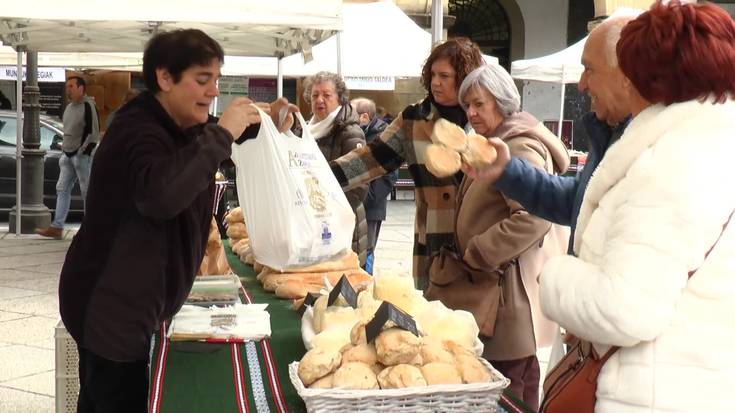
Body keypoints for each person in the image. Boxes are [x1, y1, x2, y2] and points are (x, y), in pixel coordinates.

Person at [57, 29, 295, 412]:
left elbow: (224, 130)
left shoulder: (180, 124)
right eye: (202, 80)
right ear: (164, 78)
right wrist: (223, 132)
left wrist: (269, 118)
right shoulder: (136, 129)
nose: (213, 91)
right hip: (110, 306)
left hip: (135, 303)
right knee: (116, 397)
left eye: (216, 80)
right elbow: (162, 194)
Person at [538, 2, 735, 412]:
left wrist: (556, 276)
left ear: (645, 75)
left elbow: (626, 309)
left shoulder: (675, 161)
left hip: (649, 396)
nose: (583, 84)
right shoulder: (711, 143)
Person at [426, 64, 569, 410]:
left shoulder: (519, 146)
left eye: (479, 104)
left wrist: (479, 252)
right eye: (468, 106)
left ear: (502, 102)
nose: (471, 113)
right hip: (494, 293)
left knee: (510, 391)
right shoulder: (495, 142)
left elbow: (533, 220)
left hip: (508, 297)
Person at [462, 10, 642, 254]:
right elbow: (579, 201)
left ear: (624, 74)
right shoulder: (614, 134)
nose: (581, 84)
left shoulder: (657, 150)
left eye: (589, 70)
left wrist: (478, 254)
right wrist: (507, 172)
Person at [330, 37, 484, 289]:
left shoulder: (485, 117)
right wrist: (322, 175)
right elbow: (371, 158)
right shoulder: (415, 119)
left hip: (479, 247)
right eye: (432, 74)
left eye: (445, 76)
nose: (435, 82)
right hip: (434, 246)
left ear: (466, 77)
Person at [302, 71, 369, 266]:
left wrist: (325, 213)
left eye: (326, 95)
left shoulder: (350, 132)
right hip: (311, 223)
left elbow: (359, 184)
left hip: (340, 226)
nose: (319, 100)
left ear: (339, 99)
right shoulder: (304, 129)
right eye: (315, 95)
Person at [35, 76, 100, 239]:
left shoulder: (88, 105)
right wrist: (65, 150)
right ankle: (57, 227)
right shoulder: (69, 107)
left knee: (87, 191)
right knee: (62, 189)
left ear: (81, 88)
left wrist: (82, 151)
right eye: (67, 86)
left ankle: (91, 227)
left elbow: (93, 134)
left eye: (71, 86)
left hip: (80, 156)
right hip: (68, 154)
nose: (68, 90)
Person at [350, 97, 398, 274]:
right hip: (353, 206)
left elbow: (389, 176)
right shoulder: (356, 134)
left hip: (371, 208)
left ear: (363, 117)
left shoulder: (383, 137)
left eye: (352, 113)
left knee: (366, 252)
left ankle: (365, 288)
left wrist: (365, 199)